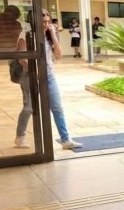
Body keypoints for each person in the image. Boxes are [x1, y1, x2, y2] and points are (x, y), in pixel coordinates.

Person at [15, 10, 83, 150]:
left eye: (48, 21)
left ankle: (65, 140)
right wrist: (36, 70)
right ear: (34, 22)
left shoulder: (48, 36)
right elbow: (22, 59)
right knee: (29, 108)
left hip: (49, 76)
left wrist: (52, 34)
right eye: (43, 22)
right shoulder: (25, 36)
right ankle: (20, 137)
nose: (46, 24)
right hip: (30, 76)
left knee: (57, 108)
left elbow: (58, 55)